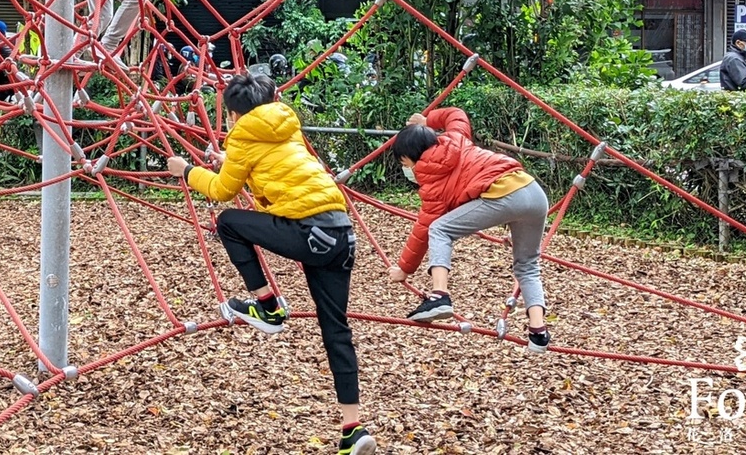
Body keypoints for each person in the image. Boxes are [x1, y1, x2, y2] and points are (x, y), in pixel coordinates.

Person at [166, 73, 375, 455]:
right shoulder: (285, 125)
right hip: (341, 234)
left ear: (233, 114)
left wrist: (187, 171)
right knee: (336, 331)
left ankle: (268, 307)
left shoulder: (242, 134)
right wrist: (229, 159)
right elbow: (276, 162)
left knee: (228, 222)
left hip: (309, 232)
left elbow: (221, 190)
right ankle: (352, 429)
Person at [388, 107, 551, 353]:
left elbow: (423, 230)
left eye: (404, 163)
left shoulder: (432, 183)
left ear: (411, 157)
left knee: (440, 228)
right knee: (527, 264)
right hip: (533, 192)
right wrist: (427, 119)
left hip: (506, 196)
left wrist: (404, 269)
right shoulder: (457, 137)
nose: (406, 168)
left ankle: (439, 295)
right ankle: (538, 333)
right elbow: (456, 114)